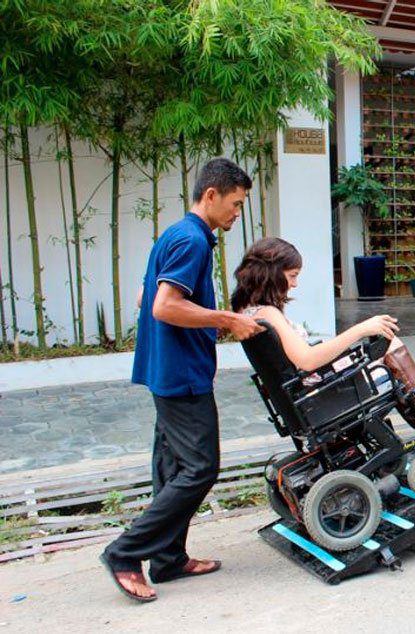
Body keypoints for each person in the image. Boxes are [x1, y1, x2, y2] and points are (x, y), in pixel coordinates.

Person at [100, 158, 263, 603]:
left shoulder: (176, 234)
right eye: (235, 203)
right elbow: (163, 306)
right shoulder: (192, 240)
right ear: (210, 195)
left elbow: (144, 293)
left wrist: (205, 318)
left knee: (171, 467)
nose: (236, 213)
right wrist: (225, 320)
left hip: (165, 368)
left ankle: (168, 559)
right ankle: (124, 553)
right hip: (181, 374)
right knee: (200, 468)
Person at [230, 237, 415, 453]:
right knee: (390, 346)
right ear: (272, 272)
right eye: (292, 276)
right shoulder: (269, 314)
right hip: (320, 393)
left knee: (384, 345)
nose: (294, 284)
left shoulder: (247, 312)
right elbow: (306, 360)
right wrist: (360, 329)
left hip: (307, 389)